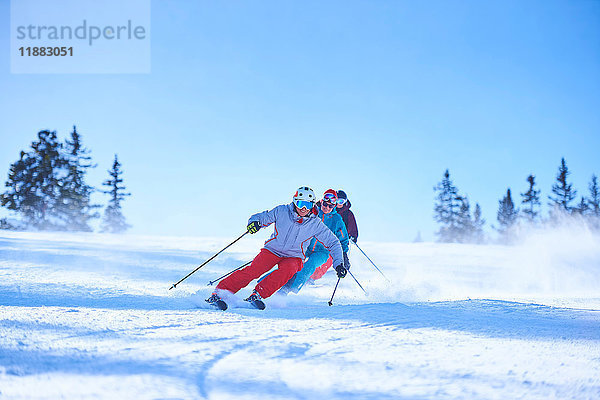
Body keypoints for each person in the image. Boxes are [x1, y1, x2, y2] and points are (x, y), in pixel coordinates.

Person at [206, 186, 348, 308]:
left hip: (294, 255)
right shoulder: (282, 211)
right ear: (294, 201)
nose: (304, 209)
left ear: (313, 205)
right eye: (300, 203)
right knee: (254, 271)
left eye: (308, 205)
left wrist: (339, 264)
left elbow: (334, 242)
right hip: (273, 250)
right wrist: (255, 222)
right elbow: (262, 217)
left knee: (291, 269)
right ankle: (219, 293)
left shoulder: (314, 223)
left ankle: (258, 294)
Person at [279, 189, 350, 294]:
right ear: (321, 202)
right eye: (325, 204)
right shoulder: (313, 212)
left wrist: (343, 255)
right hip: (306, 245)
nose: (327, 208)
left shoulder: (337, 220)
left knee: (309, 265)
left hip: (322, 251)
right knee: (290, 263)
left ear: (334, 206)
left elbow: (343, 239)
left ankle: (289, 290)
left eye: (331, 206)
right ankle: (267, 284)